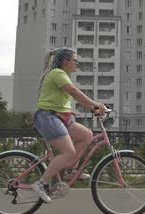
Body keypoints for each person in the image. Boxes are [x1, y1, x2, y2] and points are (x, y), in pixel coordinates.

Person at [31, 47, 107, 203]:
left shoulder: (62, 75)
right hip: (48, 116)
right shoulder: (57, 73)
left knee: (86, 135)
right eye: (75, 60)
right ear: (65, 62)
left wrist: (92, 108)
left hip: (60, 117)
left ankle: (71, 170)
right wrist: (94, 105)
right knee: (69, 152)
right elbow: (74, 92)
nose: (77, 63)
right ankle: (41, 183)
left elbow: (71, 97)